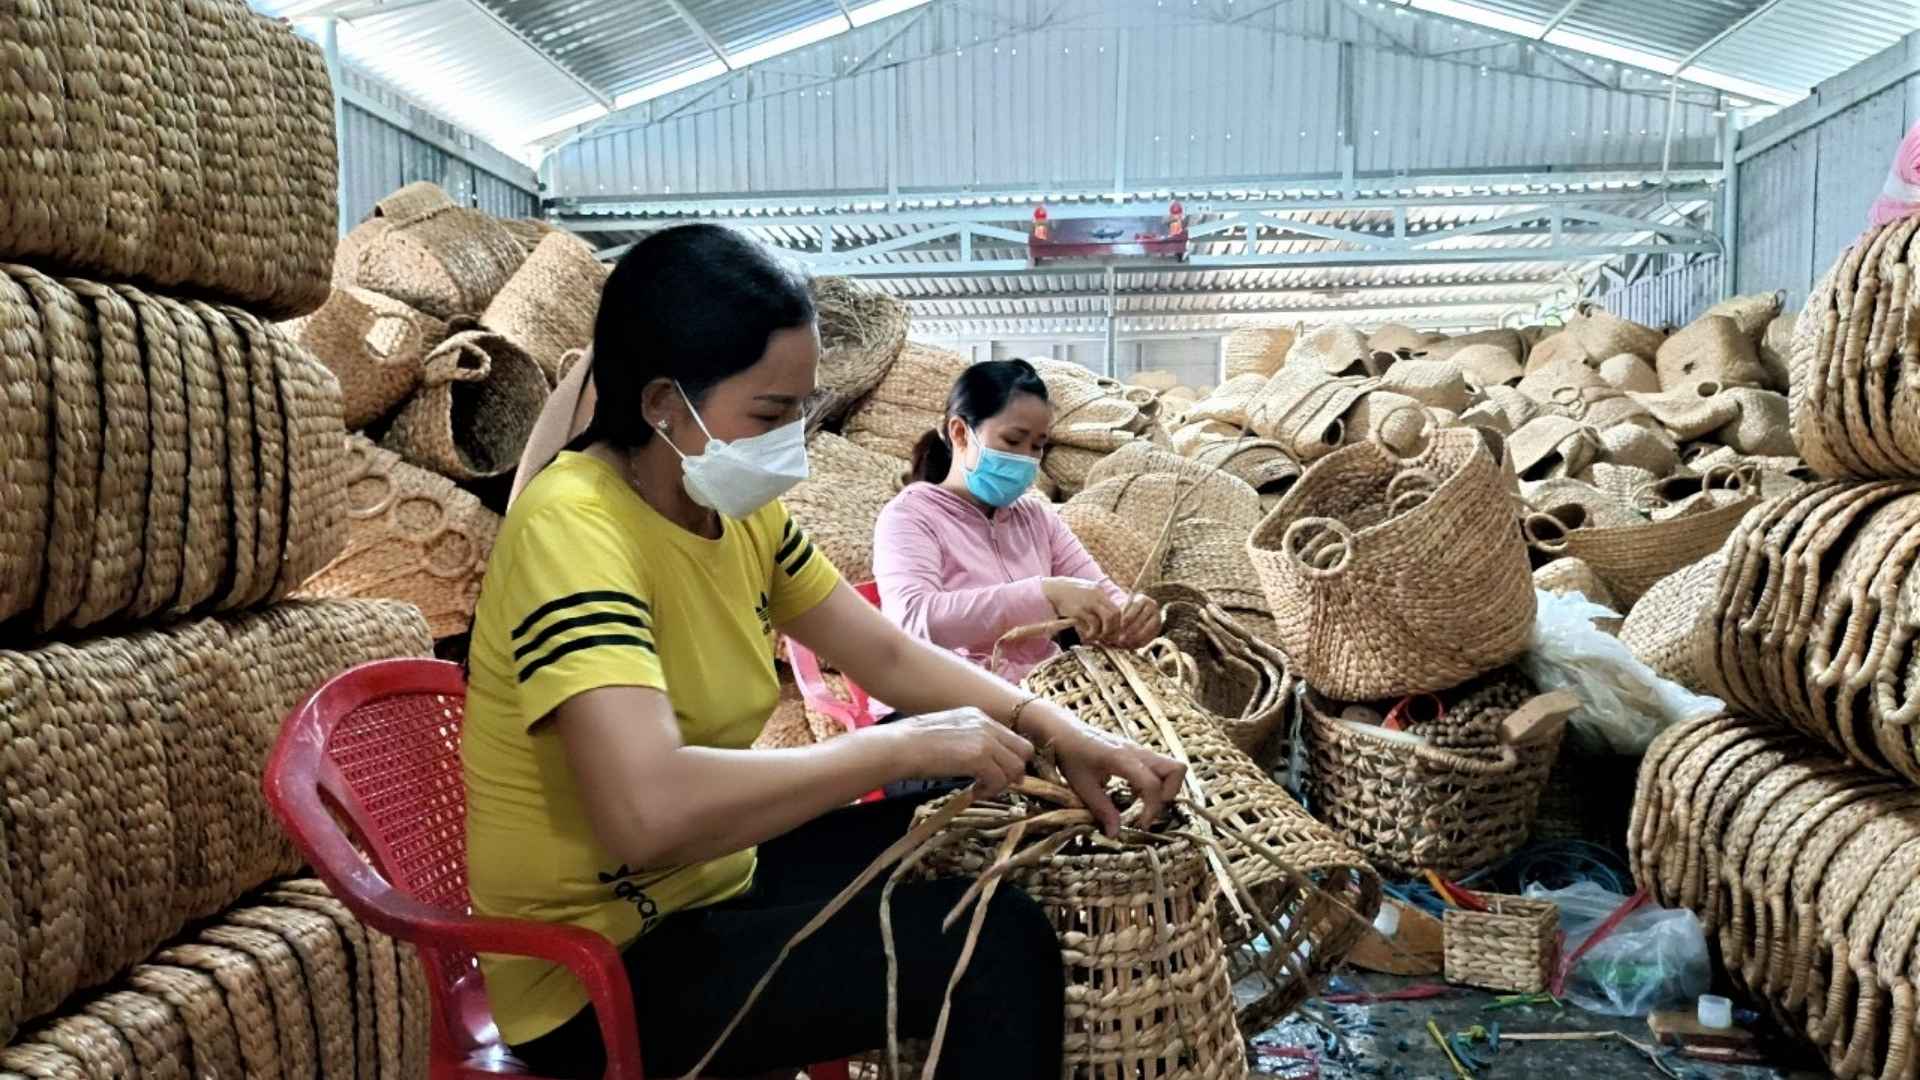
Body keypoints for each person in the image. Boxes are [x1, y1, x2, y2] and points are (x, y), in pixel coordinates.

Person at [461, 225, 1186, 1080]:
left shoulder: (733, 512)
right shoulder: (576, 530)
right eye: (769, 414)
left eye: (801, 409)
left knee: (993, 828)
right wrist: (892, 746)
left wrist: (1060, 730)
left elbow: (884, 651)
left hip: (711, 885)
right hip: (597, 965)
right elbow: (646, 816)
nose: (792, 441)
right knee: (990, 946)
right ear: (663, 403)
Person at [871, 359, 1164, 687]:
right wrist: (1043, 594)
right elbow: (914, 620)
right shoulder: (910, 516)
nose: (1025, 458)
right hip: (943, 698)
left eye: (1037, 446)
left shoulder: (1036, 518)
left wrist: (1132, 616)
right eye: (1013, 441)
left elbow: (1103, 594)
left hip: (1038, 694)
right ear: (960, 433)